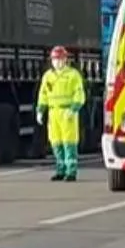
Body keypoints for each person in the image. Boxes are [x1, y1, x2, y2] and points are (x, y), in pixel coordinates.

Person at [37, 46, 86, 182]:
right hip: (54, 113)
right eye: (54, 59)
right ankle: (60, 169)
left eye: (60, 59)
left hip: (67, 112)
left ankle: (71, 171)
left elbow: (79, 93)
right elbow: (43, 94)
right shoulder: (48, 76)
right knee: (56, 142)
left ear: (65, 60)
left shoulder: (72, 75)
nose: (57, 62)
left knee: (69, 142)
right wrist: (40, 110)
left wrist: (74, 108)